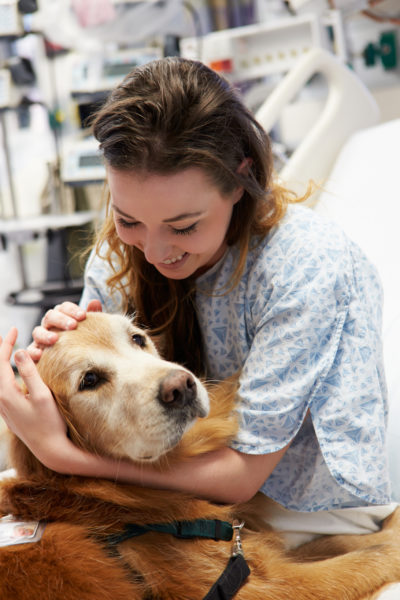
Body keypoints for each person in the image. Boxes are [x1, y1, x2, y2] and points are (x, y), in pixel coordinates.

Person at [0, 57, 396, 547]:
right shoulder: (118, 257)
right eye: (128, 219)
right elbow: (106, 427)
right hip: (173, 487)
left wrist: (63, 457)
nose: (157, 250)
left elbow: (241, 477)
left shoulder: (307, 266)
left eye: (184, 226)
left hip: (305, 508)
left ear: (238, 179)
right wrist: (61, 366)